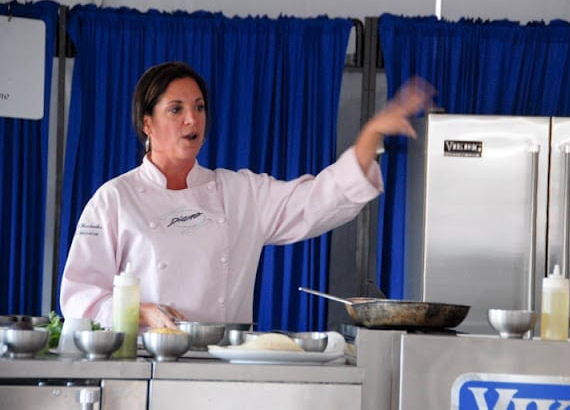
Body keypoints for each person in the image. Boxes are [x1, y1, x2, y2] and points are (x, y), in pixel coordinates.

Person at [60, 61, 435, 330]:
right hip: (145, 364)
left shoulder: (239, 193)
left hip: (224, 364)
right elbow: (79, 297)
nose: (193, 120)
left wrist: (369, 138)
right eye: (176, 109)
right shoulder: (115, 199)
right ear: (147, 123)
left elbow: (316, 201)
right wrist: (140, 311)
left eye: (199, 107)